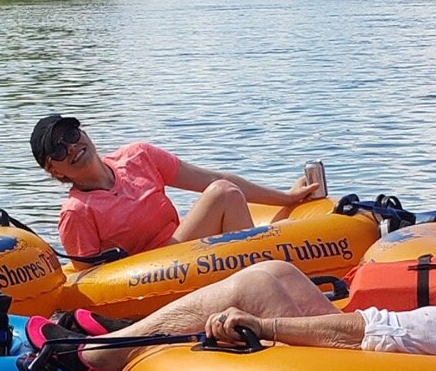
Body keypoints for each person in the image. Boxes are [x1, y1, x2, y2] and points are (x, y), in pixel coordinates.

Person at [26, 208, 436, 371]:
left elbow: (372, 337)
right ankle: (115, 339)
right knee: (275, 270)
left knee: (261, 285)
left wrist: (264, 324)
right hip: (388, 357)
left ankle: (99, 356)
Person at [29, 113, 323, 265]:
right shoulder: (76, 212)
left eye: (71, 134)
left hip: (179, 246)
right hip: (153, 272)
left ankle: (262, 273)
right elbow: (90, 279)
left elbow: (210, 177)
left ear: (83, 132)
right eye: (57, 149)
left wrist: (286, 198)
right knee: (222, 193)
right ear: (54, 170)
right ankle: (261, 276)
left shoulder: (138, 156)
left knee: (223, 190)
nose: (71, 147)